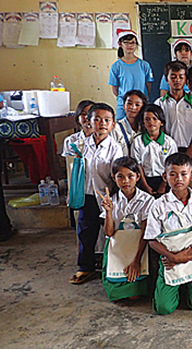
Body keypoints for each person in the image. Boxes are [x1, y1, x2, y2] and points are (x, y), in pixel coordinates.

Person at [144, 153, 192, 315]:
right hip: (169, 258)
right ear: (165, 176)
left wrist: (187, 252)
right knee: (164, 308)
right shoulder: (158, 205)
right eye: (173, 174)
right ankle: (173, 288)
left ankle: (187, 288)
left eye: (183, 174)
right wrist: (173, 257)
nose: (178, 179)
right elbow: (152, 240)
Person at [70, 103, 123, 285]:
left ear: (113, 124)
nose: (101, 123)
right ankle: (85, 267)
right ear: (88, 122)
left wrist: (113, 197)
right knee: (86, 232)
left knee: (111, 232)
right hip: (87, 196)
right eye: (97, 119)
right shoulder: (80, 145)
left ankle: (113, 265)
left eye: (107, 120)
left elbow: (117, 175)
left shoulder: (115, 148)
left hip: (107, 197)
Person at [98, 156, 154, 301]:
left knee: (134, 296)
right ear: (114, 178)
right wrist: (109, 212)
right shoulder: (111, 200)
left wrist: (136, 261)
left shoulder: (147, 200)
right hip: (118, 247)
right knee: (116, 295)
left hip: (139, 246)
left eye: (130, 176)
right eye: (120, 177)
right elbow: (109, 233)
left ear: (138, 177)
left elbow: (145, 233)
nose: (125, 181)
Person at [154, 61, 192, 157]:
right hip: (169, 150)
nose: (177, 80)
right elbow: (160, 129)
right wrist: (166, 146)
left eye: (181, 77)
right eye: (173, 77)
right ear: (167, 80)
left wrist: (191, 150)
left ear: (185, 80)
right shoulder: (159, 103)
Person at [130, 104, 178, 195]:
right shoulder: (137, 142)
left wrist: (163, 185)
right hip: (144, 180)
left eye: (155, 119)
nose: (151, 122)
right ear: (143, 123)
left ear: (162, 122)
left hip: (165, 180)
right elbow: (137, 165)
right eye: (147, 119)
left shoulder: (169, 143)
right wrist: (145, 186)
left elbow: (172, 166)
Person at [108, 29, 154, 120]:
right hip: (123, 106)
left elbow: (148, 86)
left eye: (133, 43)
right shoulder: (116, 66)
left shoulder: (144, 65)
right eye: (127, 42)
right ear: (120, 44)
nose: (130, 46)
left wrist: (139, 100)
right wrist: (127, 101)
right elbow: (115, 90)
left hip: (141, 105)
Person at [111, 90, 147, 156]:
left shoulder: (145, 128)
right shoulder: (115, 128)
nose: (132, 107)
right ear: (124, 106)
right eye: (129, 103)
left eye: (137, 105)